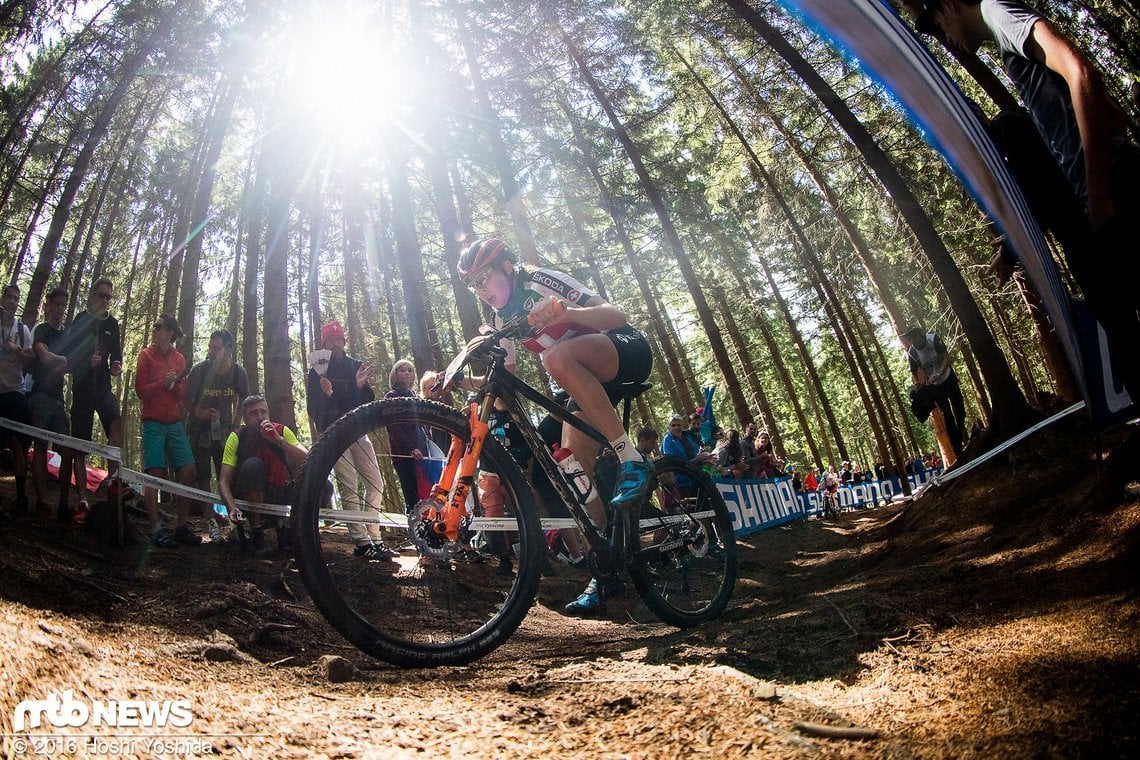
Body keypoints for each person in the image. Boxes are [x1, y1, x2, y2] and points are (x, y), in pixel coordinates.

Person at [915, 0, 1140, 403]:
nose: (944, 38)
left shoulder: (998, 13)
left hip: (1111, 194)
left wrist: (1099, 190)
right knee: (1127, 335)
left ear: (950, 4)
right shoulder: (1008, 48)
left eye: (937, 24)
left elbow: (1079, 70)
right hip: (1100, 198)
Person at [450, 237, 655, 616]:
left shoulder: (539, 279)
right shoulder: (499, 320)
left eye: (484, 279)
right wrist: (463, 384)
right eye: (473, 285)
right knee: (572, 467)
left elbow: (616, 315)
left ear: (507, 267)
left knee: (555, 358)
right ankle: (606, 566)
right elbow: (503, 383)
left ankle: (632, 458)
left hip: (623, 349)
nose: (480, 291)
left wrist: (568, 313)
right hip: (584, 381)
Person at [306, 321, 394, 559]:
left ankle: (376, 537)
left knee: (376, 483)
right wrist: (325, 395)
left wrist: (359, 385)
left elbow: (366, 401)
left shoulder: (355, 366)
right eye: (330, 341)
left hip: (357, 430)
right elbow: (313, 407)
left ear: (343, 341)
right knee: (348, 484)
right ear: (324, 344)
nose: (335, 344)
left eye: (338, 340)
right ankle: (362, 542)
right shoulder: (316, 371)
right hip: (333, 432)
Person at [134, 315, 199, 547]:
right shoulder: (145, 355)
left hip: (175, 423)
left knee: (189, 470)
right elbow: (140, 391)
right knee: (155, 473)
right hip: (152, 422)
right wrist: (163, 382)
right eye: (155, 326)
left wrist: (176, 385)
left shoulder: (179, 358)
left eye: (160, 327)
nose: (156, 330)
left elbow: (183, 393)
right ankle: (156, 529)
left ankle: (182, 526)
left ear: (171, 333)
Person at [218, 395, 310, 556]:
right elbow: (223, 481)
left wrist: (279, 441)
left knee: (322, 487)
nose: (260, 417)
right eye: (254, 413)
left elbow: (309, 460)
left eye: (263, 412)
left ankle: (286, 528)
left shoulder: (281, 431)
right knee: (253, 465)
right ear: (245, 418)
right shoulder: (237, 437)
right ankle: (256, 532)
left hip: (278, 490)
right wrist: (232, 508)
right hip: (247, 493)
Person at [61, 278, 123, 516]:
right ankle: (83, 499)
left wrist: (116, 366)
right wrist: (86, 363)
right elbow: (69, 356)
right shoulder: (80, 320)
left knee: (115, 422)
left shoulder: (112, 323)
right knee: (80, 443)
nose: (105, 300)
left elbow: (116, 355)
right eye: (101, 295)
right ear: (92, 295)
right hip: (83, 388)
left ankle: (113, 481)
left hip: (103, 387)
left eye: (109, 297)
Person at [28, 288, 86, 521]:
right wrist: (59, 359)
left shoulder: (64, 335)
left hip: (58, 399)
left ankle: (63, 503)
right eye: (57, 304)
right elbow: (42, 355)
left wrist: (59, 360)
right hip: (40, 395)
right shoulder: (41, 330)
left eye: (64, 305)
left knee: (66, 449)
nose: (60, 309)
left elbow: (69, 366)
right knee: (40, 446)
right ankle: (42, 501)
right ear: (49, 305)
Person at [185, 329, 249, 498]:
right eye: (210, 348)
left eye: (216, 348)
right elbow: (184, 399)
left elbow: (244, 399)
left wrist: (236, 424)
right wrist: (199, 412)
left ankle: (232, 516)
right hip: (198, 430)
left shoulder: (238, 373)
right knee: (202, 475)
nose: (211, 352)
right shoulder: (199, 370)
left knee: (227, 472)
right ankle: (209, 518)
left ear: (228, 351)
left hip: (225, 430)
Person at [0, 283, 37, 515]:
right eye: (10, 297)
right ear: (3, 299)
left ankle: (21, 496)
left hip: (15, 391)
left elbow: (29, 361)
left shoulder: (22, 330)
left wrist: (15, 349)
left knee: (17, 444)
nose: (13, 301)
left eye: (17, 298)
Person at [905, 327, 967, 460]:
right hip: (935, 386)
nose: (915, 340)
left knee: (959, 408)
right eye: (911, 338)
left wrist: (940, 372)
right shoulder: (912, 353)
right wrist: (920, 385)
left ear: (921, 334)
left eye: (916, 336)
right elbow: (914, 373)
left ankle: (962, 430)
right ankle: (957, 449)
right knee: (947, 414)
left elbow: (946, 356)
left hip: (948, 378)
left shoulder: (933, 339)